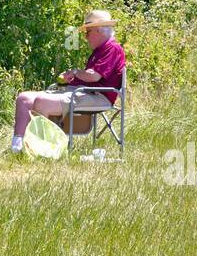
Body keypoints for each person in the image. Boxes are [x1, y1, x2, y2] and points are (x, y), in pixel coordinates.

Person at [10, 10, 125, 153]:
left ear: (98, 30)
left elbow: (94, 76)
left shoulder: (112, 48)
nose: (85, 37)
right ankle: (17, 147)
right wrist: (71, 78)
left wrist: (75, 72)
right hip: (84, 92)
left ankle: (41, 149)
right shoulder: (99, 50)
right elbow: (90, 76)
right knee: (24, 98)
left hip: (98, 96)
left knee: (42, 101)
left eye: (87, 32)